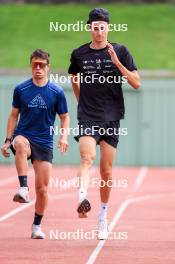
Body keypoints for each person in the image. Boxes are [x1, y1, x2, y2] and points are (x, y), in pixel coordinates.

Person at [68, 8, 140, 240]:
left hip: (111, 117)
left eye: (102, 26)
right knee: (86, 157)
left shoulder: (121, 50)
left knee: (106, 171)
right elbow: (73, 79)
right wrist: (82, 104)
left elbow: (137, 83)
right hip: (88, 116)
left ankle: (103, 215)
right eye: (94, 26)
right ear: (89, 27)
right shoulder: (79, 54)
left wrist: (118, 63)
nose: (99, 31)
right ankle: (82, 198)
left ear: (108, 27)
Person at [1, 49, 69, 239]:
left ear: (48, 67)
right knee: (21, 144)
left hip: (44, 142)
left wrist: (63, 137)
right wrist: (8, 140)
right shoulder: (21, 89)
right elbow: (13, 115)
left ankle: (36, 226)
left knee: (43, 189)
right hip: (24, 135)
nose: (38, 68)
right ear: (31, 66)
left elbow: (65, 117)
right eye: (34, 65)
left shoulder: (56, 92)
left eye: (41, 65)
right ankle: (23, 188)